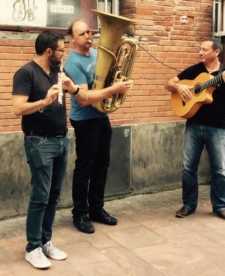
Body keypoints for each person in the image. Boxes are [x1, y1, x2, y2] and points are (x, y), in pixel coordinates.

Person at [12, 30, 89, 269]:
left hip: (61, 141)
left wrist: (73, 89)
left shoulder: (58, 72)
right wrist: (43, 102)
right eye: (60, 50)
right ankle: (32, 247)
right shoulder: (26, 73)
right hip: (39, 142)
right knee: (40, 196)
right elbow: (18, 108)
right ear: (48, 51)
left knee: (54, 195)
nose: (63, 53)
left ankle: (45, 241)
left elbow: (82, 96)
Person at [64, 20, 133, 234]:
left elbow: (108, 81)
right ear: (73, 39)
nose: (88, 35)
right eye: (82, 33)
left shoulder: (97, 54)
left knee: (102, 165)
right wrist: (114, 89)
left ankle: (96, 209)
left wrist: (119, 84)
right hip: (84, 119)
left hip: (101, 116)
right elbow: (83, 98)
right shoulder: (72, 63)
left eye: (89, 31)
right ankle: (80, 214)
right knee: (85, 167)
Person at [165, 38, 225, 219]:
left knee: (220, 169)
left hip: (219, 127)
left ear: (216, 52)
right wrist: (179, 85)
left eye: (204, 50)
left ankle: (220, 205)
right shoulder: (195, 70)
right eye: (200, 49)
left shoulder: (222, 72)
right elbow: (168, 84)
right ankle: (189, 205)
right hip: (194, 125)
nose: (200, 53)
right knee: (188, 167)